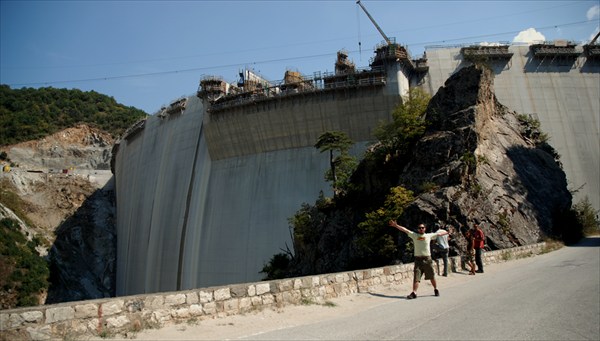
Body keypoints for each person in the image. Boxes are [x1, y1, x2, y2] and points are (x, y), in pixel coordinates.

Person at [389, 220, 449, 299]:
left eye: (422, 228)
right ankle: (414, 292)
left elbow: (439, 234)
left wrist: (447, 232)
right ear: (418, 229)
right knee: (416, 277)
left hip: (427, 259)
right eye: (420, 228)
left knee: (431, 276)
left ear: (425, 229)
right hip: (418, 260)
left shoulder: (429, 236)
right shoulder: (414, 235)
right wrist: (396, 226)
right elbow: (405, 230)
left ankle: (436, 289)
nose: (421, 229)